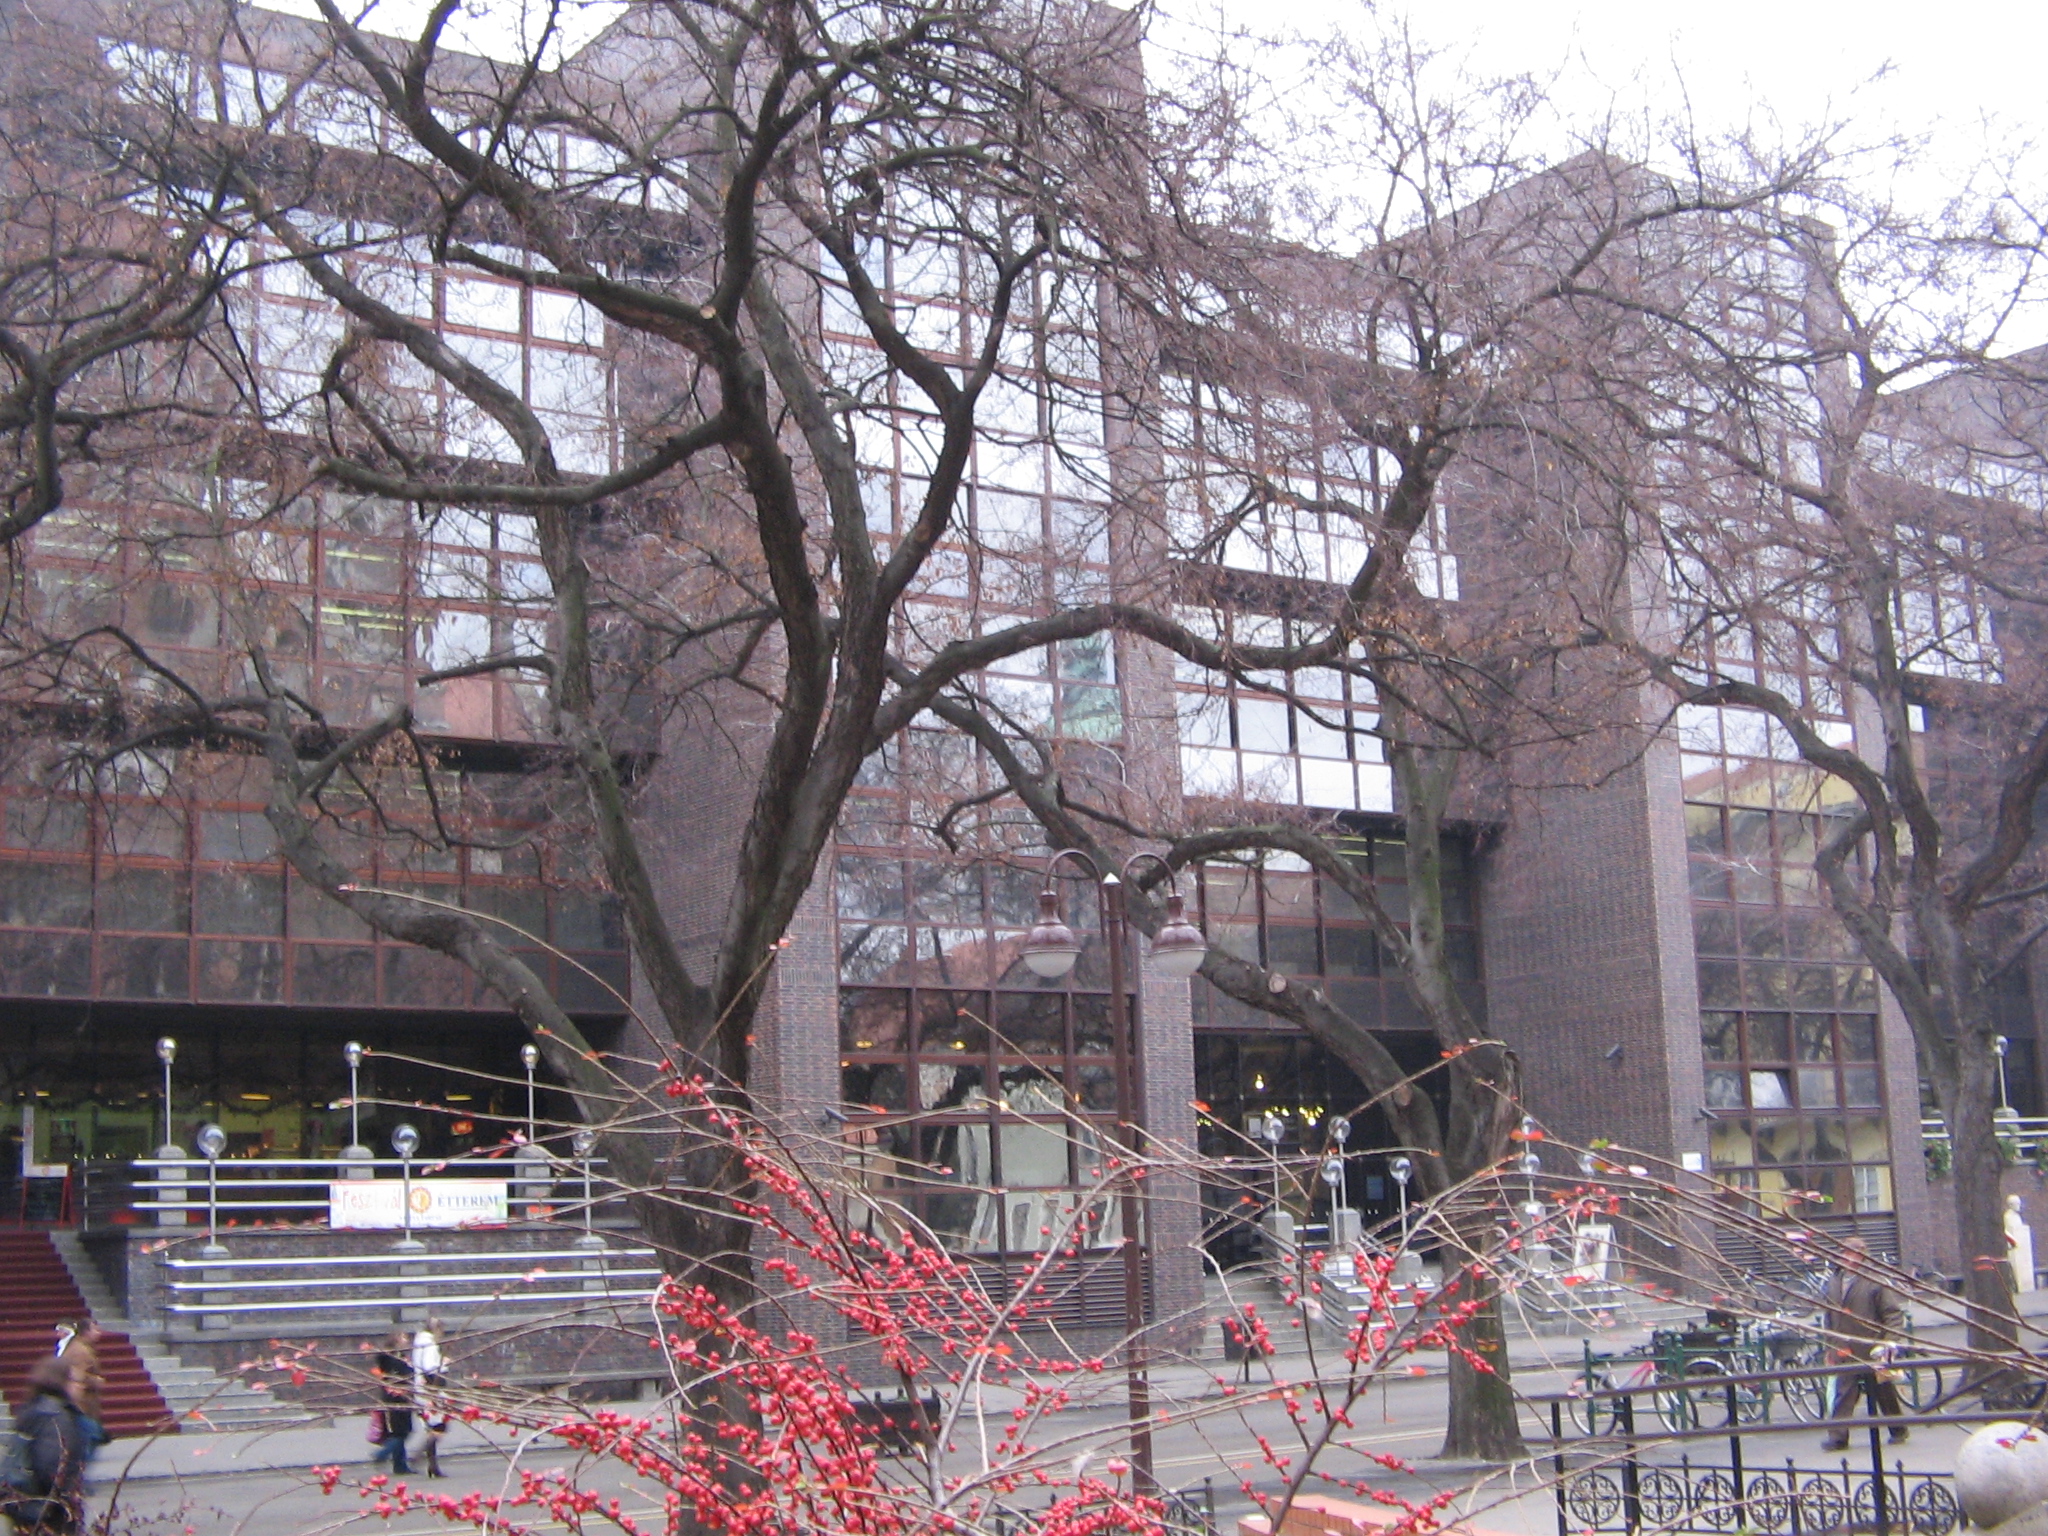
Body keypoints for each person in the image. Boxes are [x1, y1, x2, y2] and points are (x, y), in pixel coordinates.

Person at [1821, 1236, 1910, 1451]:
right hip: (1845, 1347)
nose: (1850, 1258)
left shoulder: (1874, 1280)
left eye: (1855, 1254)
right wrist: (1830, 1345)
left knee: (1882, 1391)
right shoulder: (1834, 1279)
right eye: (1847, 1253)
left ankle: (1898, 1428)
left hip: (1872, 1346)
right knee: (1844, 1392)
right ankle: (1838, 1437)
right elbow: (1829, 1315)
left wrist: (1890, 1342)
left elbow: (1892, 1313)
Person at [3, 1356, 89, 1534]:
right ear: (61, 1382)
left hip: (25, 1509)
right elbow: (52, 1467)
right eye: (76, 1381)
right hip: (47, 1513)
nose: (82, 1386)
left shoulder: (35, 1408)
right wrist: (66, 1499)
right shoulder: (56, 1416)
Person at [56, 1322, 105, 1458]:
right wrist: (95, 1381)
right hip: (81, 1403)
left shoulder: (82, 1348)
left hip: (83, 1403)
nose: (99, 1333)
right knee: (90, 1435)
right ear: (86, 1332)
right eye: (95, 1329)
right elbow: (77, 1376)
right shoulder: (80, 1351)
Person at [368, 1331, 414, 1476]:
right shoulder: (394, 1359)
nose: (406, 1340)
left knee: (399, 1431)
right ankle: (382, 1454)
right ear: (396, 1340)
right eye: (403, 1337)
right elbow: (403, 1376)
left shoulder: (393, 1357)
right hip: (398, 1398)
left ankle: (400, 1465)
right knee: (401, 1432)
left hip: (395, 1397)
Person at [410, 1323, 448, 1478]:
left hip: (419, 1389)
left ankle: (432, 1465)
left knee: (430, 1428)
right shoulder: (430, 1345)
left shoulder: (418, 1344)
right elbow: (430, 1367)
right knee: (439, 1426)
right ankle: (420, 1454)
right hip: (430, 1391)